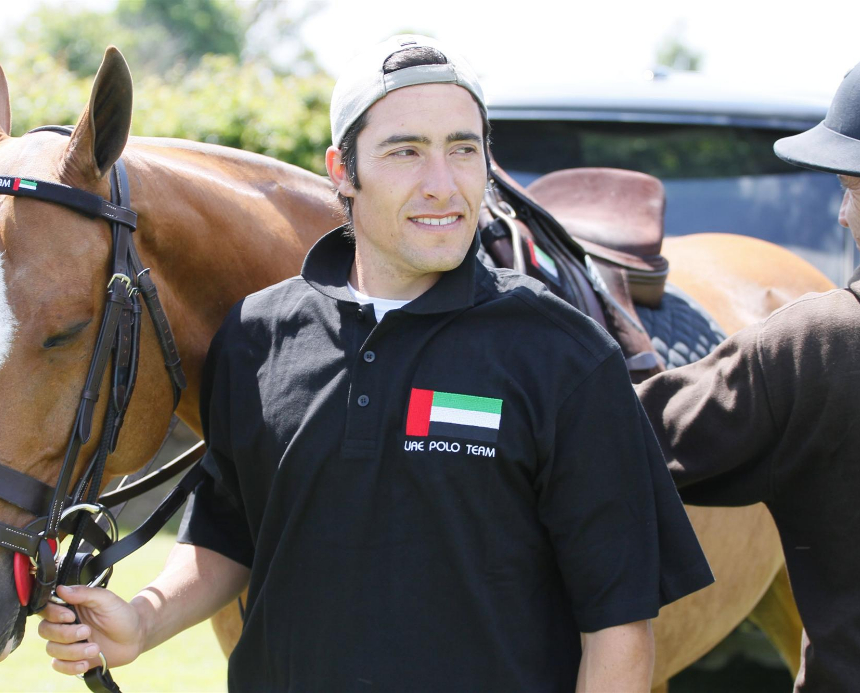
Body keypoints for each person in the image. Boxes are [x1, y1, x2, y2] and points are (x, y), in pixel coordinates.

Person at [39, 35, 713, 691]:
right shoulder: (255, 336)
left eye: (463, 149)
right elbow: (230, 532)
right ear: (342, 172)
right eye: (405, 151)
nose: (442, 185)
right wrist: (142, 620)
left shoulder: (565, 354)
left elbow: (619, 629)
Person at [635, 61, 860, 692]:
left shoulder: (821, 346)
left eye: (852, 187)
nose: (843, 215)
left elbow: (607, 432)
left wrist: (441, 405)